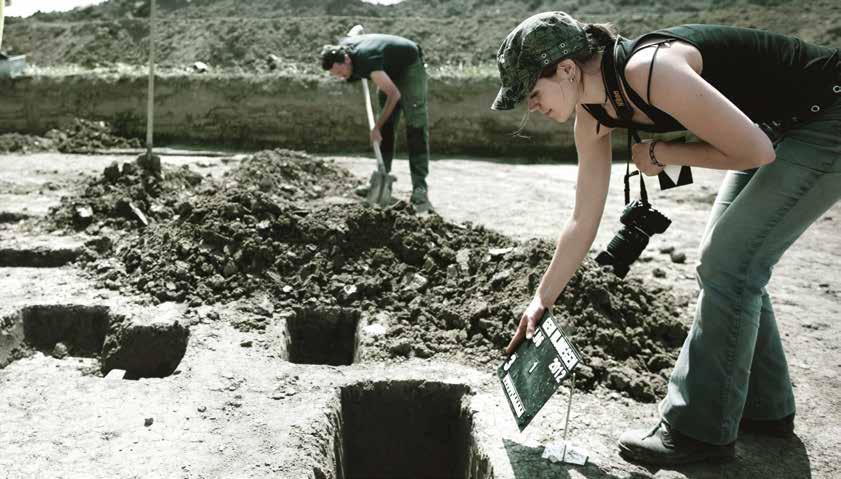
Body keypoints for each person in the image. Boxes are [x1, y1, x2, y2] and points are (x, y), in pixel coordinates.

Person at [492, 11, 841, 465]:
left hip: (825, 117)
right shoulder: (592, 115)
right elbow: (583, 219)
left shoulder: (648, 70)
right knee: (727, 261)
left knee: (729, 260)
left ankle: (698, 432)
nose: (531, 106)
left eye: (532, 93)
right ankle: (765, 411)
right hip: (775, 127)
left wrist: (662, 151)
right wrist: (541, 299)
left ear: (567, 69)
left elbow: (755, 151)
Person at [320, 33, 432, 211]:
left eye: (341, 72)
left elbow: (394, 94)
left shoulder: (367, 59)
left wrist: (376, 128)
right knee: (387, 124)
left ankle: (420, 189)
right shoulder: (343, 48)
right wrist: (381, 126)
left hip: (409, 67)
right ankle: (382, 178)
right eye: (336, 75)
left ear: (347, 60)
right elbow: (354, 33)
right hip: (387, 69)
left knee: (415, 127)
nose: (341, 77)